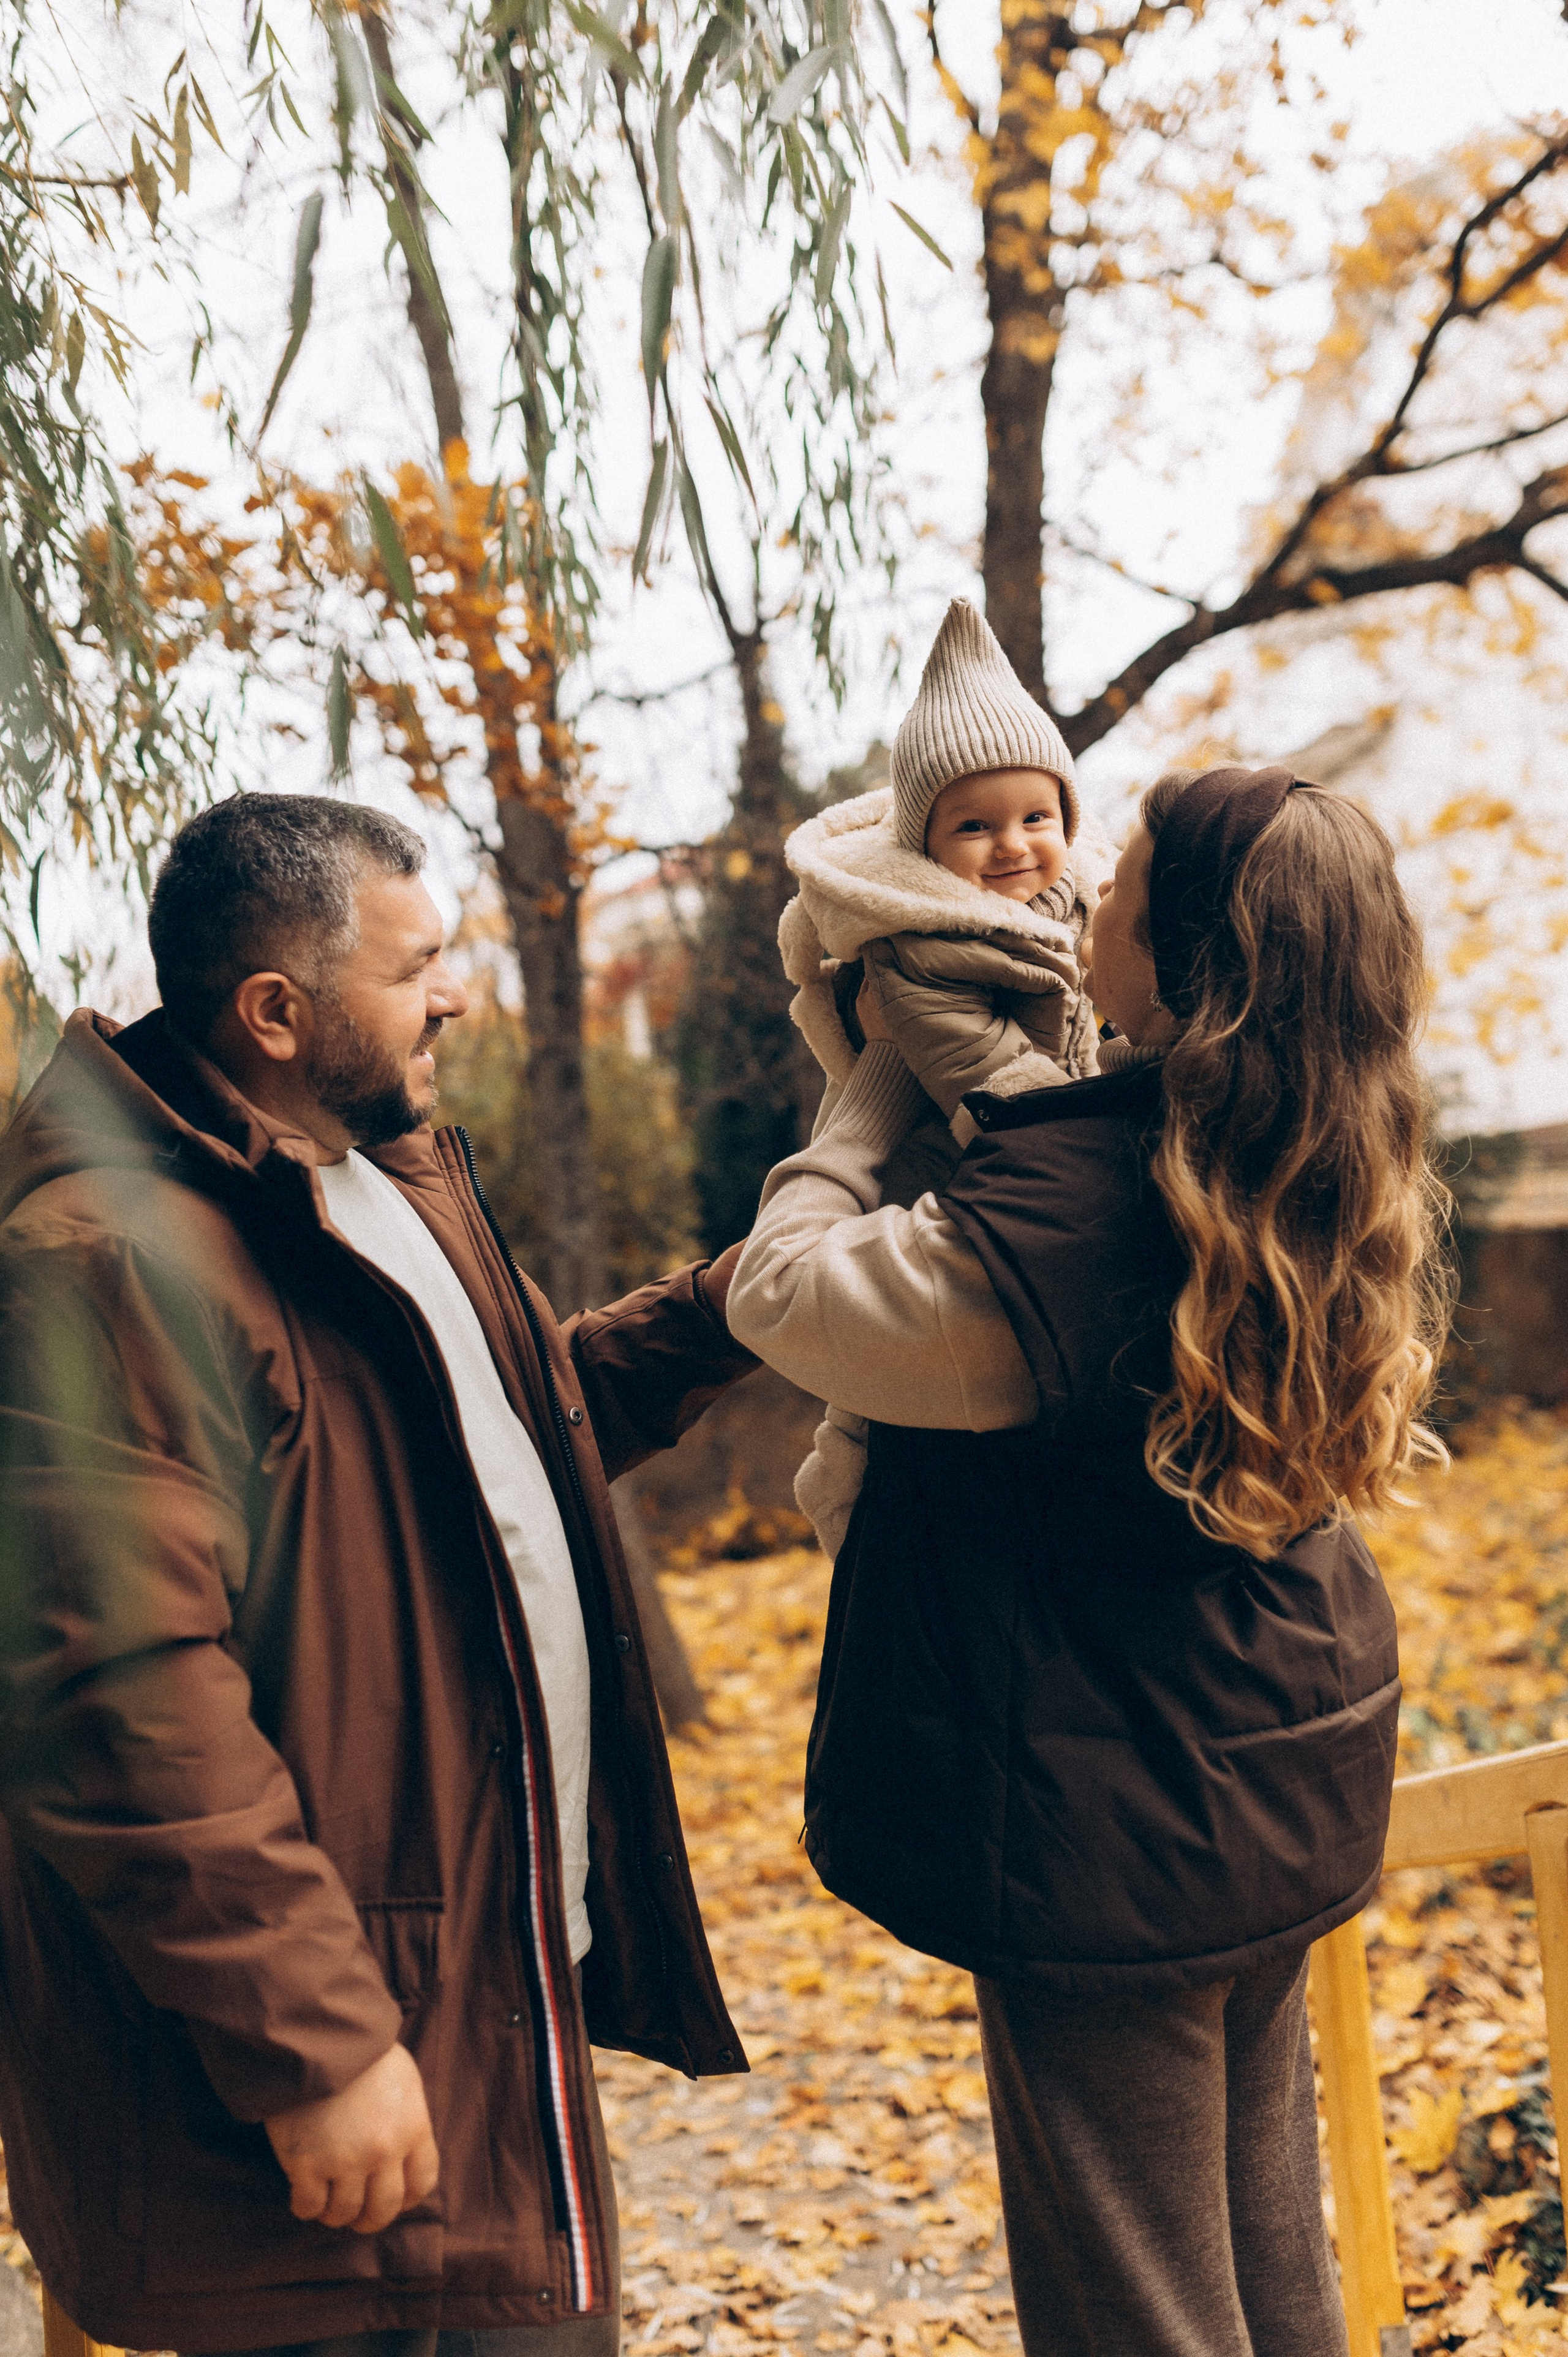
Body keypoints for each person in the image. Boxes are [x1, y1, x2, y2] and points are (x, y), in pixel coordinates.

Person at [0, 794, 756, 2357]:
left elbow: (498, 1442)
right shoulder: (104, 1256)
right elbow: (116, 1697)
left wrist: (738, 1305)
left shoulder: (382, 1178)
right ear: (276, 1010)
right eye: (419, 965)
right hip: (308, 2070)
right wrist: (317, 2046)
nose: (457, 994)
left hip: (477, 1991)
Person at [727, 763, 1450, 2356]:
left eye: (1115, 884)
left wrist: (866, 1106)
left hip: (1106, 1820)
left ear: (1183, 957)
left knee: (1137, 2303)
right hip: (1273, 1775)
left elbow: (783, 1297)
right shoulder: (1311, 1147)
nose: (1079, 895)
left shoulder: (1063, 1214)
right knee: (1270, 2268)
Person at [778, 600, 1106, 1557]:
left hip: (1029, 1159)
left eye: (1036, 817)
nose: (1012, 846)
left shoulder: (1080, 903)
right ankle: (845, 1494)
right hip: (959, 1157)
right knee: (873, 1405)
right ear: (925, 845)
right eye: (975, 826)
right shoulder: (921, 949)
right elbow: (989, 1075)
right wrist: (1094, 1139)